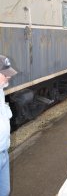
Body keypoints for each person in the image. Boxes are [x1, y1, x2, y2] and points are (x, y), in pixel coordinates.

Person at [0, 55, 17, 196]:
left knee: (5, 191)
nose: (9, 77)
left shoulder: (0, 91)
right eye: (5, 74)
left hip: (3, 150)